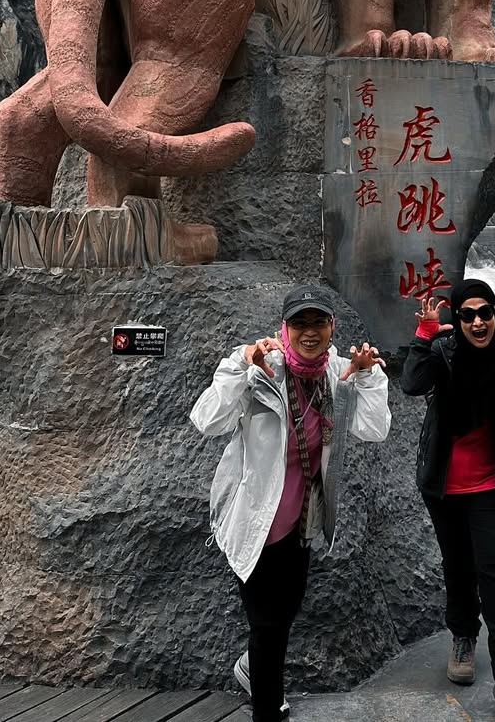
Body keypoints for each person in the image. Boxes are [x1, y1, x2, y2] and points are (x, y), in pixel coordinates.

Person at [190, 285, 390, 722]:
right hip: (256, 519)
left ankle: (253, 670)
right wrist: (240, 369)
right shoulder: (265, 367)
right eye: (299, 323)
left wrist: (368, 377)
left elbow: (374, 430)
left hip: (304, 520)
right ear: (284, 329)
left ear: (332, 327)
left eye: (318, 322)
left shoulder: (339, 371)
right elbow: (207, 420)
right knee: (266, 620)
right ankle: (267, 707)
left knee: (286, 610)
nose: (309, 331)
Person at [402, 277, 495, 722]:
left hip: (490, 488)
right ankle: (464, 635)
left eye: (485, 313)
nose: (477, 322)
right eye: (466, 314)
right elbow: (412, 383)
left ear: (493, 315)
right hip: (444, 487)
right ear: (457, 317)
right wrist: (425, 334)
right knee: (457, 567)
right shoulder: (443, 353)